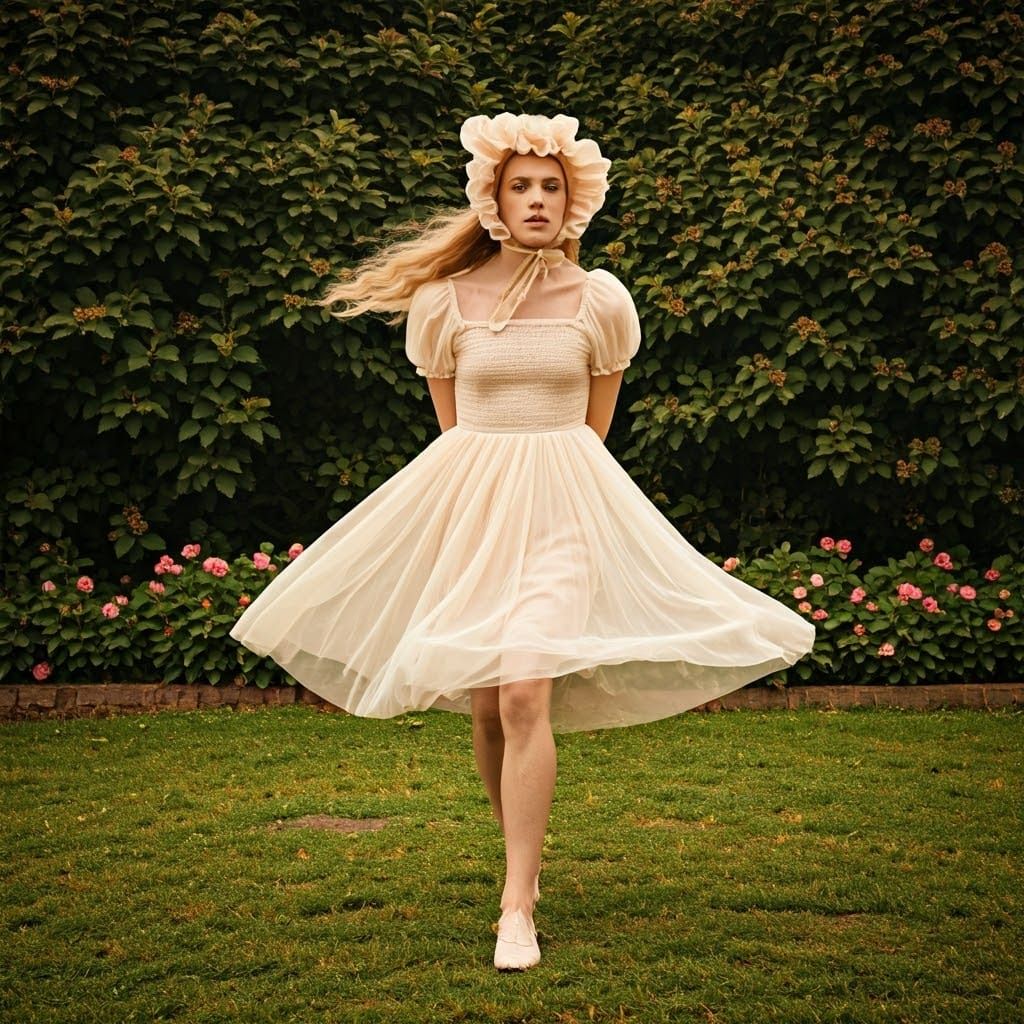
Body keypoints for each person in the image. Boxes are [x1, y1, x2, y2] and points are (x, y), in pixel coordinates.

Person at [229, 112, 816, 971]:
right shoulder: (443, 304)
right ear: (493, 201)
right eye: (521, 187)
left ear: (573, 202)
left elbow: (593, 431)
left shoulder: (601, 301)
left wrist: (559, 509)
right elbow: (456, 432)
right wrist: (483, 510)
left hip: (563, 515)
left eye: (551, 187)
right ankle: (524, 865)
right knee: (487, 704)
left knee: (525, 695)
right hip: (476, 514)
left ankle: (515, 906)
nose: (537, 199)